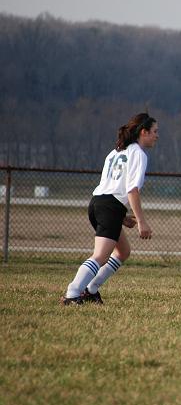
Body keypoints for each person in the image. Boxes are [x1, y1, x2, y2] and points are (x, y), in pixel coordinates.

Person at [60, 113, 159, 305]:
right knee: (100, 256)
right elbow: (132, 190)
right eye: (155, 131)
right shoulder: (138, 154)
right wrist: (142, 222)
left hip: (98, 203)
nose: (157, 135)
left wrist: (121, 217)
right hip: (109, 207)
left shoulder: (115, 152)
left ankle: (91, 290)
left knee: (123, 251)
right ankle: (73, 293)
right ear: (144, 132)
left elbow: (110, 188)